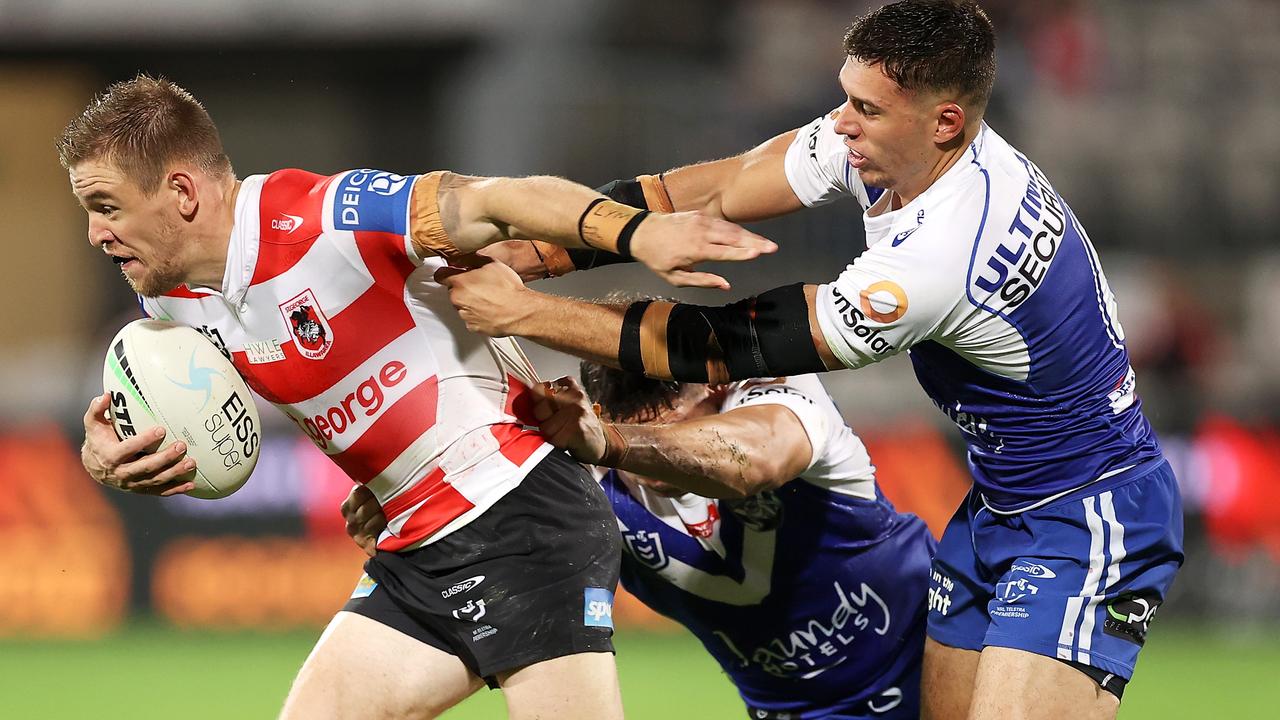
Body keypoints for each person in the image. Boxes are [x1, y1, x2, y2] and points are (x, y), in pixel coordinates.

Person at [435, 2, 1184, 718]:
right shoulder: (907, 152)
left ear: (945, 120)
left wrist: (524, 313)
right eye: (846, 98)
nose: (842, 124)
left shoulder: (943, 252)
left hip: (1088, 509)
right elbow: (716, 187)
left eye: (868, 109)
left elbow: (728, 348)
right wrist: (538, 250)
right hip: (999, 505)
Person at [58, 74, 774, 720]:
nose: (95, 233)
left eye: (105, 206)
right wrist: (105, 458)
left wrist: (639, 231)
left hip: (520, 509)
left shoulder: (324, 214)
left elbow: (500, 200)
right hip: (418, 544)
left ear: (181, 192)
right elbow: (164, 406)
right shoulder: (177, 307)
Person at [344, 357, 935, 720]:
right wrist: (404, 493)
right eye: (630, 426)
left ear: (714, 385)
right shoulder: (581, 486)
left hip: (943, 659)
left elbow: (754, 457)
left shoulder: (777, 393)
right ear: (602, 410)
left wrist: (612, 442)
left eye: (681, 418)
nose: (659, 457)